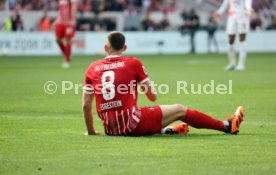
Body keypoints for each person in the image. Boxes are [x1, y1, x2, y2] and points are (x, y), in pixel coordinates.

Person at [82, 31, 245, 136]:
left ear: (105, 48)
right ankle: (227, 126)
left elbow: (85, 106)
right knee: (180, 109)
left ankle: (167, 130)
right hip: (132, 124)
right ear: (124, 47)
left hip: (110, 129)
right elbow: (152, 97)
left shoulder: (92, 67)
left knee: (143, 115)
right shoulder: (132, 63)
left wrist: (91, 132)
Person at [213, 0, 253, 71]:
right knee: (230, 39)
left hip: (243, 16)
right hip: (232, 16)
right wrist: (218, 13)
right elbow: (225, 4)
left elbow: (248, 3)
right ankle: (232, 63)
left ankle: (241, 64)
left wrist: (248, 9)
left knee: (242, 39)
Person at [54, 0, 78, 68]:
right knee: (57, 40)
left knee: (68, 40)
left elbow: (74, 6)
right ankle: (67, 55)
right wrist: (57, 19)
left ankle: (67, 61)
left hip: (68, 22)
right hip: (60, 22)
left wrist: (73, 19)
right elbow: (61, 9)